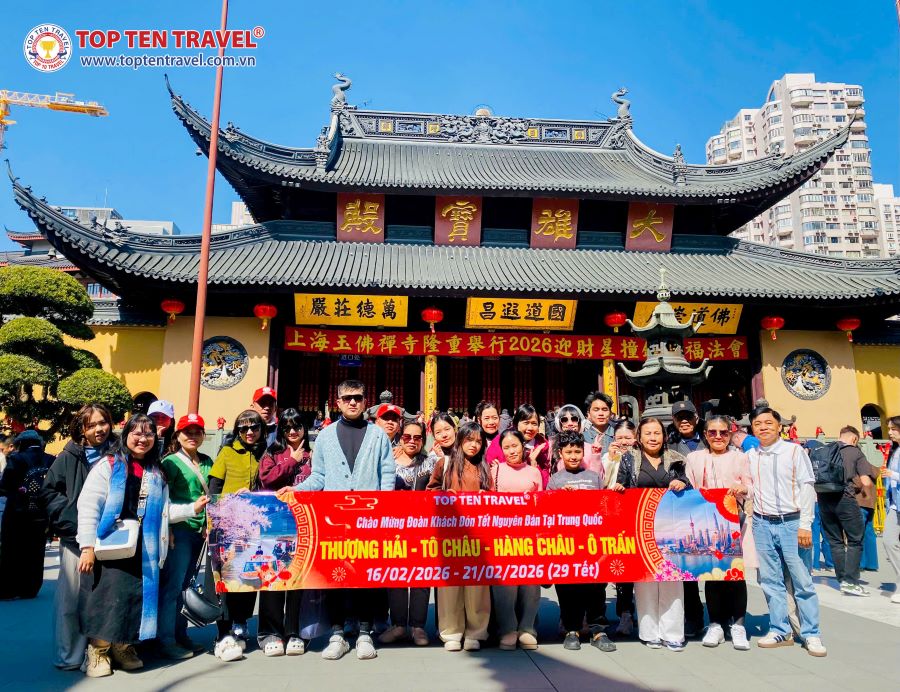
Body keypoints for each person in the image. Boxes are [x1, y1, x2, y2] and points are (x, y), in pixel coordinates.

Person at [76, 414, 204, 678]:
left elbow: (165, 511)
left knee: (135, 599)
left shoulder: (156, 472)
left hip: (144, 548)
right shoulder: (109, 465)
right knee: (107, 599)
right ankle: (98, 650)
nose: (143, 439)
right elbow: (89, 505)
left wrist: (192, 508)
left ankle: (123, 647)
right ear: (126, 436)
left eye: (148, 434)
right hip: (111, 545)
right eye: (137, 433)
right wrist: (87, 546)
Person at [278, 379, 394, 661]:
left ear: (365, 401)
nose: (353, 402)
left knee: (365, 576)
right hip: (335, 519)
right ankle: (338, 633)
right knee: (336, 576)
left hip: (368, 518)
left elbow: (387, 474)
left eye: (358, 397)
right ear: (338, 402)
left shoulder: (378, 435)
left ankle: (365, 633)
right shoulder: (326, 436)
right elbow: (319, 476)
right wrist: (297, 489)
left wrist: (384, 509)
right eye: (347, 398)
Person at [41, 404, 115, 670]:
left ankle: (99, 652)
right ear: (82, 429)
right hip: (75, 540)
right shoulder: (69, 455)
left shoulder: (118, 453)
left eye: (103, 422)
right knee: (71, 600)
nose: (99, 429)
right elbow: (50, 492)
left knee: (105, 599)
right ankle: (69, 655)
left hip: (111, 538)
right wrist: (71, 520)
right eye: (91, 425)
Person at [747, 407, 826, 657]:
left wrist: (806, 524)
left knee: (802, 580)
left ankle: (811, 632)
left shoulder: (794, 451)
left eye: (768, 423)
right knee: (770, 580)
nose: (763, 427)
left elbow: (807, 486)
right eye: (758, 424)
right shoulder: (750, 456)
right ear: (752, 428)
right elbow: (750, 487)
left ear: (779, 426)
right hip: (762, 523)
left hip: (792, 523)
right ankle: (780, 629)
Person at [613, 417, 689, 651]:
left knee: (672, 580)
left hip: (671, 528)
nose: (653, 438)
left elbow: (688, 485)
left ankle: (673, 633)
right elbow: (621, 486)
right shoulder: (628, 459)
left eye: (657, 433)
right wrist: (620, 489)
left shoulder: (676, 459)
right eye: (648, 433)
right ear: (639, 437)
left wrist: (682, 483)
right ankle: (649, 632)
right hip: (640, 526)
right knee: (645, 581)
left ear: (664, 436)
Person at [684, 415, 753, 650]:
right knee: (712, 574)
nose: (718, 437)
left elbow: (752, 486)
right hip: (705, 522)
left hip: (733, 521)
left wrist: (743, 488)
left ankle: (738, 625)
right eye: (712, 432)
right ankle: (715, 624)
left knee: (735, 573)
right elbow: (689, 486)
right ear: (705, 435)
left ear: (730, 434)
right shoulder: (694, 458)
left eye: (723, 433)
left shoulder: (740, 458)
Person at [208, 409, 268, 661]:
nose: (250, 432)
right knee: (226, 578)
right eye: (244, 429)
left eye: (254, 427)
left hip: (253, 527)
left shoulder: (264, 453)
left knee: (249, 575)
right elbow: (214, 488)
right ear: (237, 431)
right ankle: (223, 631)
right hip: (228, 524)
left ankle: (241, 623)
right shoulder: (227, 452)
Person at [549, 431, 616, 653]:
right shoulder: (555, 480)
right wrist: (560, 497)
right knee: (568, 588)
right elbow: (547, 511)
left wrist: (616, 492)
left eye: (577, 451)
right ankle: (572, 630)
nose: (573, 456)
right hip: (566, 544)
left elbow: (605, 506)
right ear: (560, 453)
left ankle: (599, 630)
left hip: (592, 543)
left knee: (596, 588)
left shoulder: (594, 477)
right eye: (568, 452)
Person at [428, 422, 492, 651]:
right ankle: (451, 632)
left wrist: (486, 496)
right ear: (460, 440)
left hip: (477, 535)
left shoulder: (485, 466)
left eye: (478, 441)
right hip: (450, 534)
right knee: (450, 585)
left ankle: (476, 631)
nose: (474, 445)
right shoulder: (444, 464)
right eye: (469, 440)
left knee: (477, 585)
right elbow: (430, 491)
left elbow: (494, 496)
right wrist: (445, 495)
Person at [257, 409, 316, 656]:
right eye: (287, 427)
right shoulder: (272, 453)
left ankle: (295, 631)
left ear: (304, 428)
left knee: (300, 578)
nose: (292, 431)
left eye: (297, 426)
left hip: (306, 523)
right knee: (272, 574)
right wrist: (291, 460)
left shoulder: (314, 454)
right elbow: (267, 480)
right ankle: (270, 631)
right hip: (275, 524)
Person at [157, 413, 212, 659]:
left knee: (185, 585)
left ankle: (181, 634)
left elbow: (213, 495)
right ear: (177, 435)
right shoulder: (170, 462)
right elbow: (163, 499)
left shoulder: (208, 461)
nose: (192, 436)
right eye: (187, 431)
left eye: (197, 431)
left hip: (199, 531)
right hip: (179, 530)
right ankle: (166, 639)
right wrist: (167, 528)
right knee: (173, 586)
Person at [380, 421, 434, 647]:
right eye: (407, 437)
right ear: (400, 438)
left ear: (423, 440)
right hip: (394, 527)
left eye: (417, 437)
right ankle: (399, 625)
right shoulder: (388, 462)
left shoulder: (430, 462)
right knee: (396, 575)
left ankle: (418, 626)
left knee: (421, 576)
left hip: (423, 528)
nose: (412, 441)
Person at [490, 429, 542, 651]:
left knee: (531, 583)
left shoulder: (534, 472)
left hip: (530, 535)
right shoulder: (495, 471)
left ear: (523, 446)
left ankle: (528, 628)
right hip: (503, 535)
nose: (511, 451)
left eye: (515, 446)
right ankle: (508, 628)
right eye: (507, 447)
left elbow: (542, 504)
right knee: (505, 585)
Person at [815, 425, 874, 596]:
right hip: (845, 499)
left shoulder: (824, 450)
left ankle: (842, 580)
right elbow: (866, 481)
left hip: (823, 500)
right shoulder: (855, 452)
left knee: (835, 541)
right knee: (855, 540)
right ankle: (851, 582)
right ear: (854, 439)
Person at [666, 400, 705, 637]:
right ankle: (693, 617)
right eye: (679, 417)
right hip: (681, 512)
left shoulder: (709, 438)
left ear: (696, 418)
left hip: (708, 510)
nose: (684, 421)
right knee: (686, 569)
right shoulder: (669, 443)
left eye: (688, 416)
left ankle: (725, 617)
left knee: (717, 566)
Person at [0, 429, 54, 600]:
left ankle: (8, 589)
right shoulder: (51, 459)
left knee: (11, 549)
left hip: (17, 512)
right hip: (41, 513)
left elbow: (5, 486)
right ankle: (30, 588)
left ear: (22, 443)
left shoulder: (16, 459)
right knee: (36, 551)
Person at [602, 420, 639, 636]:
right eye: (619, 438)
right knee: (614, 565)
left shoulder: (639, 457)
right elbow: (602, 482)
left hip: (634, 517)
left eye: (628, 438)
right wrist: (610, 459)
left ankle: (629, 612)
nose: (624, 442)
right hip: (611, 517)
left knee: (630, 567)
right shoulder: (607, 457)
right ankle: (609, 613)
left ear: (635, 438)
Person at [487, 405, 551, 487]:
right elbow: (488, 468)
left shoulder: (542, 446)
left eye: (534, 423)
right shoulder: (502, 440)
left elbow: (544, 482)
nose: (530, 428)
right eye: (526, 423)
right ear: (516, 424)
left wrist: (534, 464)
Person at [882, 415, 900, 604]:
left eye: (894, 429)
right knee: (888, 541)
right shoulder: (895, 451)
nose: (890, 432)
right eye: (889, 429)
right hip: (895, 505)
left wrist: (893, 474)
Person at [549, 404, 586, 472]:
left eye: (574, 419)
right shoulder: (550, 445)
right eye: (564, 420)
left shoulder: (589, 447)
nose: (570, 423)